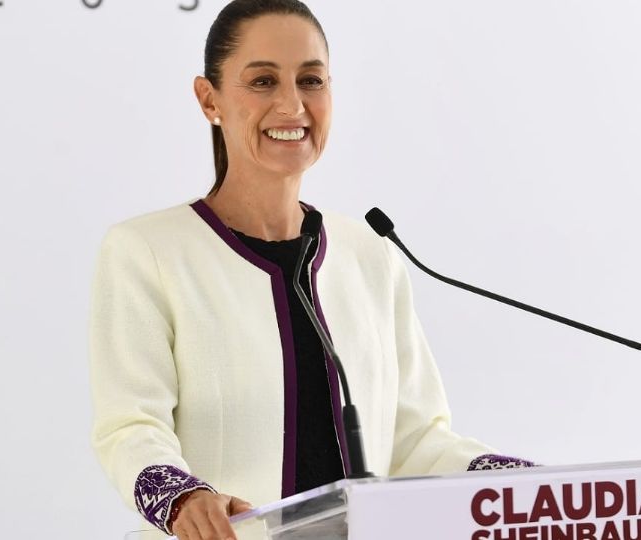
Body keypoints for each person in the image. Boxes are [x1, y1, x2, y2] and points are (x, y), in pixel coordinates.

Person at [89, 1, 532, 539]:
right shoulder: (147, 252)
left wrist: (514, 487)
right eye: (262, 81)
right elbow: (130, 425)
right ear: (210, 100)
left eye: (311, 80)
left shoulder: (371, 254)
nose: (292, 104)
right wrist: (182, 497)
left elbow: (414, 440)